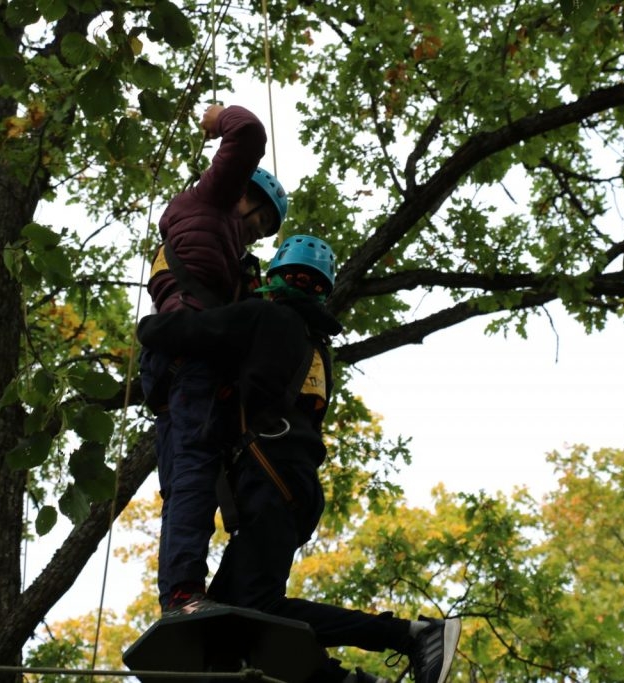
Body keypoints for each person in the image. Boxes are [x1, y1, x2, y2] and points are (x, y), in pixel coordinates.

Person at [137, 235, 462, 683]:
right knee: (235, 629)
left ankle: (410, 634)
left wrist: (157, 317)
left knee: (255, 609)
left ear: (275, 278)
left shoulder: (264, 316)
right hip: (291, 486)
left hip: (271, 481)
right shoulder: (315, 348)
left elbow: (172, 332)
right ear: (322, 291)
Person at [139, 102, 288, 613]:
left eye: (266, 230)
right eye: (258, 218)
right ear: (241, 192)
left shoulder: (229, 257)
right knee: (196, 469)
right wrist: (215, 117)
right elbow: (245, 132)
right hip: (191, 355)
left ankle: (185, 593)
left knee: (189, 479)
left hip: (181, 363)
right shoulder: (213, 202)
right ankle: (183, 592)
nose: (255, 231)